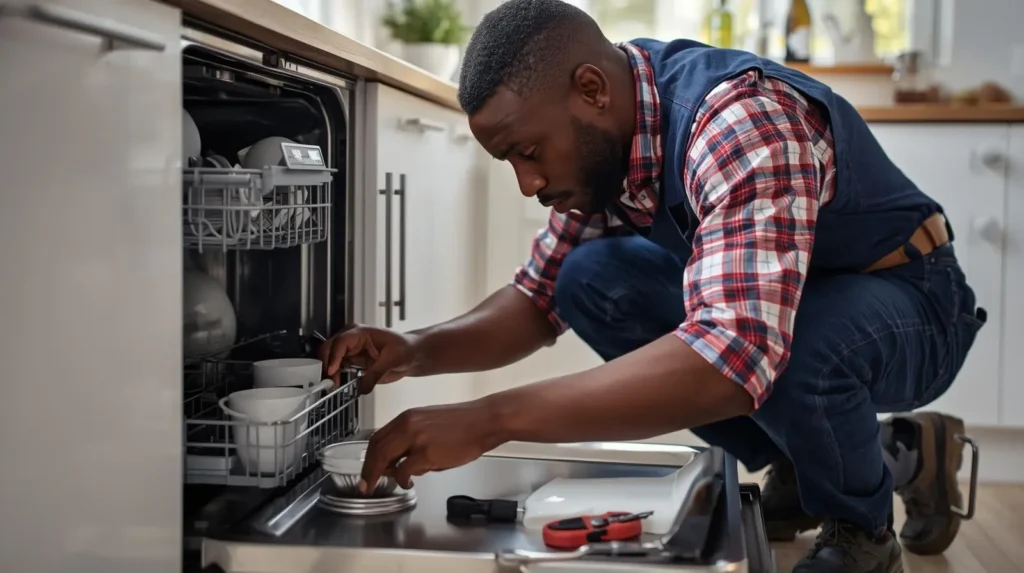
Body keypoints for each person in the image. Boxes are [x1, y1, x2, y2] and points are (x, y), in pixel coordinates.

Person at [318, 1, 984, 570]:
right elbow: (535, 299)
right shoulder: (604, 147)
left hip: (915, 300)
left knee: (794, 346)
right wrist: (413, 348)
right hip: (800, 307)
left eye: (527, 151)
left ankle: (861, 525)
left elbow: (731, 356)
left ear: (592, 89)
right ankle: (812, 460)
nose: (526, 182)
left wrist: (487, 418)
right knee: (591, 278)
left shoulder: (736, 123)